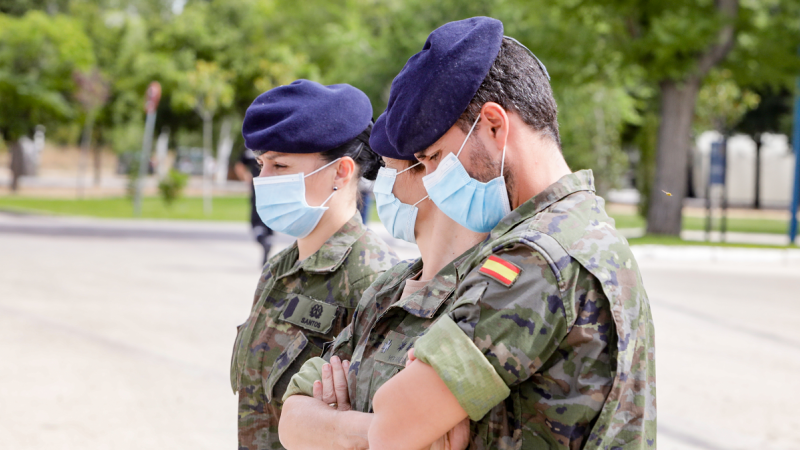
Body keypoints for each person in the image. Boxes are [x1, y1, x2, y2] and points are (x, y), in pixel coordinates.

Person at [281, 17, 656, 450]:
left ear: (495, 126)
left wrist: (350, 425)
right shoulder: (562, 233)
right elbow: (332, 427)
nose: (433, 181)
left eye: (435, 158)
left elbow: (394, 426)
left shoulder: (547, 254)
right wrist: (367, 430)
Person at [279, 105, 484, 450]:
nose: (378, 186)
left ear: (429, 172)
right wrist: (367, 432)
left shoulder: (481, 292)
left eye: (388, 170)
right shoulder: (388, 287)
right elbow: (293, 418)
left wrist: (333, 426)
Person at [230, 79, 399, 450]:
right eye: (261, 164)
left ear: (341, 172)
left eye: (280, 165)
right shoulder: (280, 269)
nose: (263, 180)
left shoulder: (375, 279)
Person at [234, 147, 273, 264]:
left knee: (256, 222)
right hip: (272, 188)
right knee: (269, 219)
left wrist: (246, 177)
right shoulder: (271, 145)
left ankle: (263, 240)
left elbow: (239, 166)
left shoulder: (249, 149)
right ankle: (267, 240)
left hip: (257, 188)